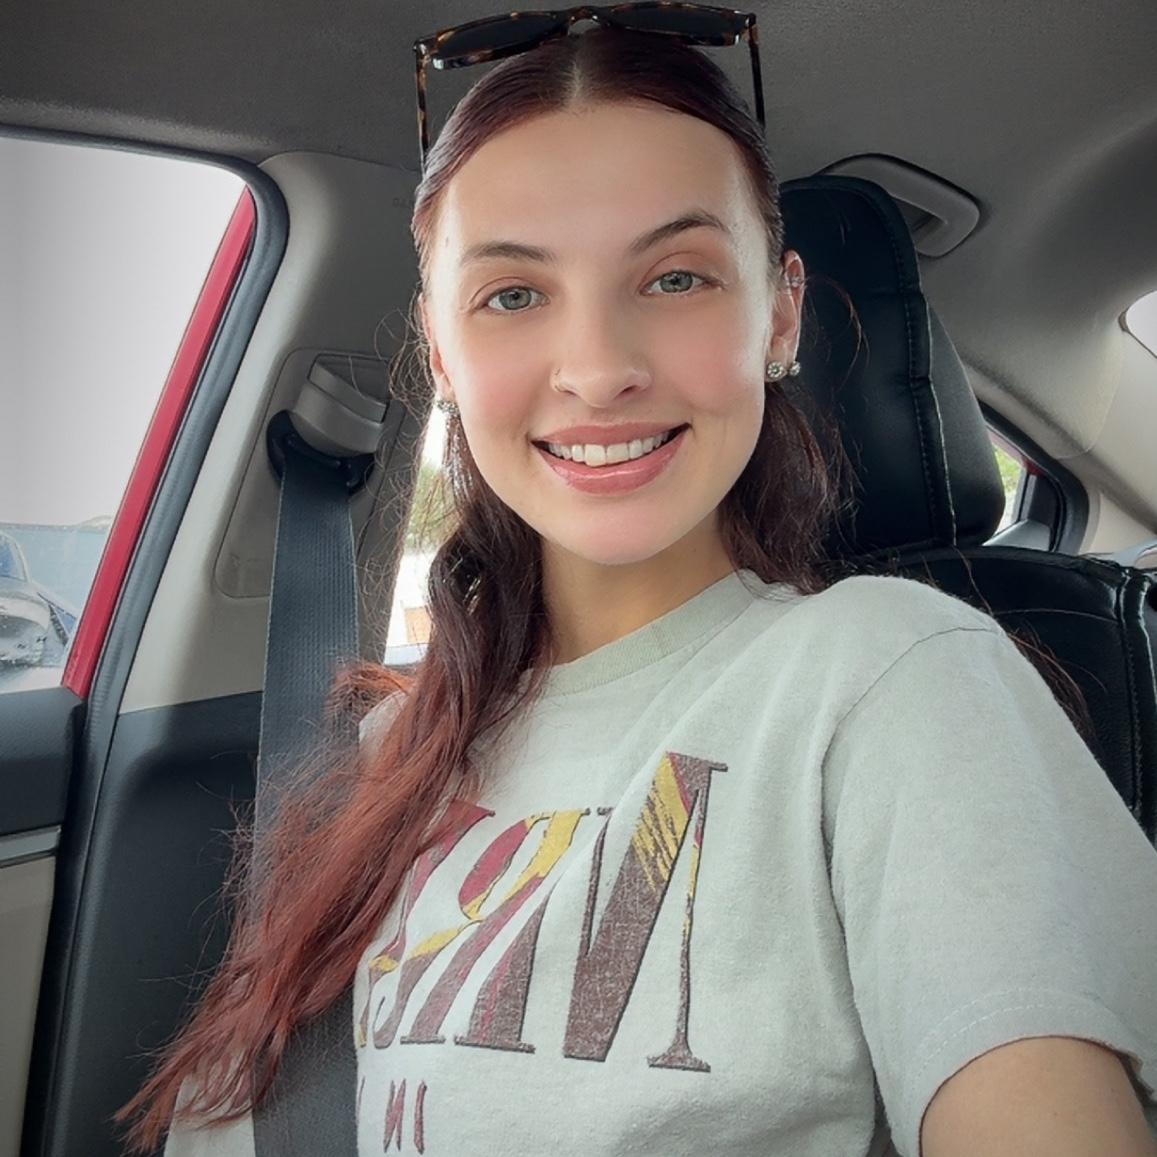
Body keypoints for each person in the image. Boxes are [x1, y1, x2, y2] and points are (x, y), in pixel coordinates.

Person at [118, 11, 1157, 1157]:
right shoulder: (379, 758)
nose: (598, 368)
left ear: (779, 314)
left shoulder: (897, 680)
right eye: (512, 293)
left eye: (674, 276)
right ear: (442, 349)